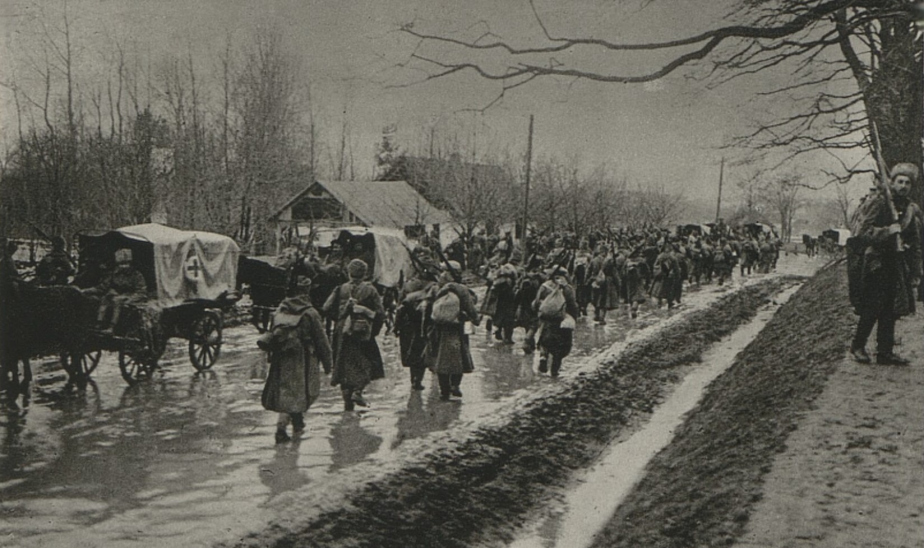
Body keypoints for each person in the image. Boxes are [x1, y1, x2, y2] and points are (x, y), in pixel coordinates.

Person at [848, 163, 923, 365]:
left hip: (897, 264)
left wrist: (916, 270)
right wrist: (887, 231)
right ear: (892, 182)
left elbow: (915, 243)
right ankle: (858, 345)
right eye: (900, 181)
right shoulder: (880, 202)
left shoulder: (910, 209)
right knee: (873, 305)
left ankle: (884, 352)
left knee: (891, 308)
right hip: (876, 261)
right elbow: (863, 232)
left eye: (908, 183)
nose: (903, 186)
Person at [258, 281, 333, 444]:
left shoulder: (279, 311)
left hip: (281, 357)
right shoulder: (311, 313)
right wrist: (328, 364)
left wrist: (271, 358)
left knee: (288, 390)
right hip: (303, 358)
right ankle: (281, 428)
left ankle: (297, 420)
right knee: (301, 389)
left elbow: (272, 335)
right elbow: (322, 341)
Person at [323, 259, 386, 410]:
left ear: (348, 272)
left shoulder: (340, 288)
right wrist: (373, 330)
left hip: (342, 332)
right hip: (363, 331)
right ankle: (358, 391)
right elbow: (380, 313)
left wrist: (339, 319)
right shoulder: (370, 290)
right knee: (367, 363)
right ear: (365, 273)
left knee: (343, 366)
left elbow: (326, 308)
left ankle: (347, 405)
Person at [424, 261, 480, 401]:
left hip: (439, 329)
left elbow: (427, 308)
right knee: (460, 356)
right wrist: (475, 320)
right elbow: (471, 309)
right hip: (458, 328)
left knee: (440, 358)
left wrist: (426, 328)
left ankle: (444, 391)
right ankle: (455, 385)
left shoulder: (436, 288)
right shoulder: (461, 289)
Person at [395, 263, 437, 391]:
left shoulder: (408, 285)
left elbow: (399, 305)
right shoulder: (434, 286)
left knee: (411, 352)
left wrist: (396, 325)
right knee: (422, 352)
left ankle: (414, 379)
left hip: (407, 323)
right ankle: (418, 379)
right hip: (425, 322)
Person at [533, 266, 579, 377]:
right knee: (560, 348)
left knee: (544, 340)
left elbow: (536, 303)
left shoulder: (545, 286)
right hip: (561, 321)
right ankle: (554, 373)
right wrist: (573, 318)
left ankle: (543, 357)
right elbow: (573, 305)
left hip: (547, 320)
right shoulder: (568, 288)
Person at [91, 248, 148, 334]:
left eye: (126, 264)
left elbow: (141, 291)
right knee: (105, 298)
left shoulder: (137, 275)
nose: (124, 266)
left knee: (117, 301)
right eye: (121, 264)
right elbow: (103, 287)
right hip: (116, 295)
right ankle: (99, 324)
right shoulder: (114, 274)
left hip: (130, 297)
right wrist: (87, 290)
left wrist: (129, 298)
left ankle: (111, 327)